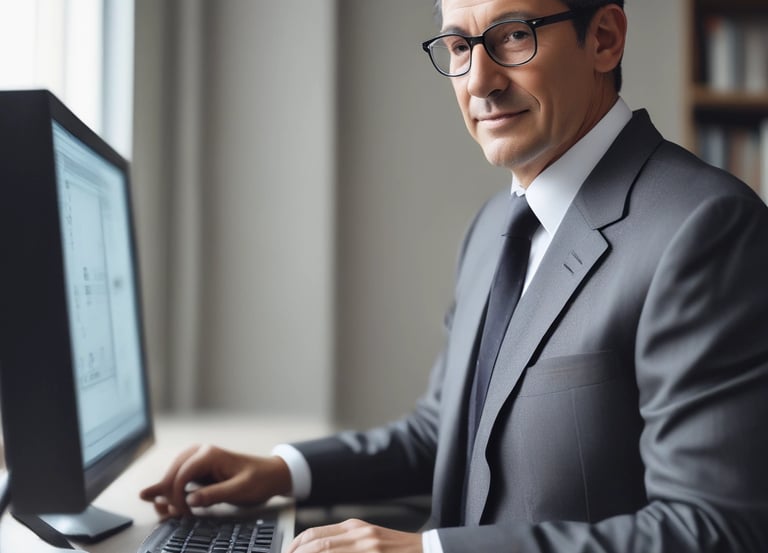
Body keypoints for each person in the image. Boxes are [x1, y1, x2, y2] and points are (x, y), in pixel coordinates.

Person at [141, 0, 768, 551]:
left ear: (604, 38)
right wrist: (283, 470)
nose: (480, 82)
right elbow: (444, 432)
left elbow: (712, 529)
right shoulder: (496, 222)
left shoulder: (706, 229)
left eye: (514, 35)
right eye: (460, 46)